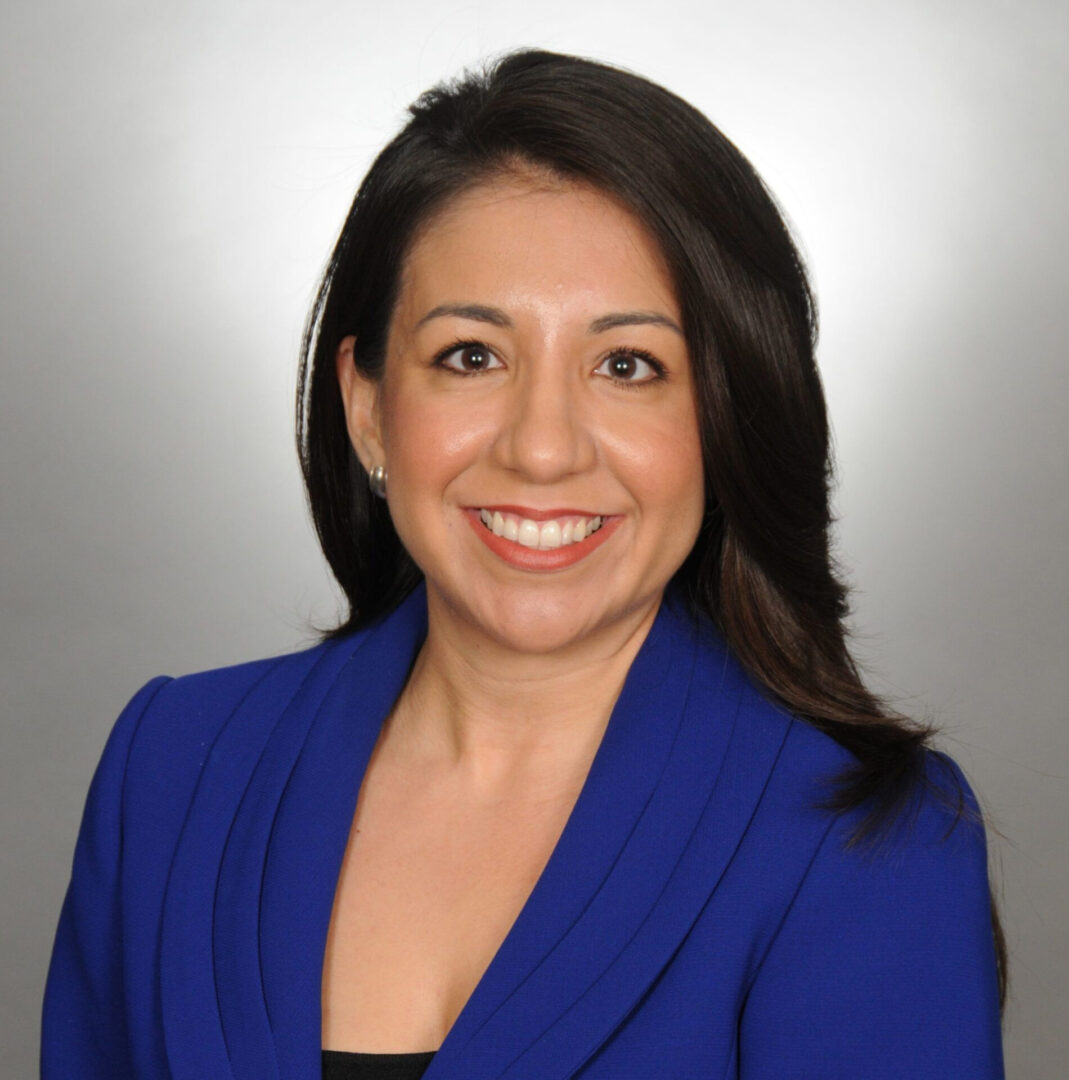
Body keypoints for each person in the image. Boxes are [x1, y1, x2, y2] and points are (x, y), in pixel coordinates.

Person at [41, 48, 1006, 1080]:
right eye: (472, 356)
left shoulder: (866, 841)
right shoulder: (173, 770)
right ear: (367, 406)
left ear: (725, 424)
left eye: (627, 366)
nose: (542, 448)